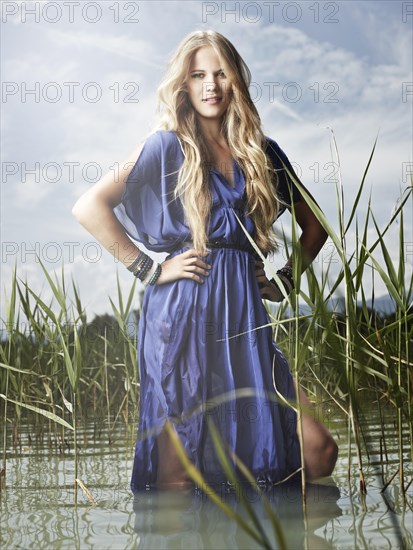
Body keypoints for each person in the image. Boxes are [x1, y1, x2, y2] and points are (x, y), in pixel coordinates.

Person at [72, 30, 338, 492]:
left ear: (236, 80)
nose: (211, 85)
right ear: (185, 85)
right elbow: (89, 206)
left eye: (221, 73)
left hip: (245, 321)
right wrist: (150, 269)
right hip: (182, 315)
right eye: (198, 75)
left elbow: (315, 226)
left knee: (318, 451)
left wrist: (285, 281)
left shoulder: (263, 153)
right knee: (180, 472)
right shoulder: (166, 146)